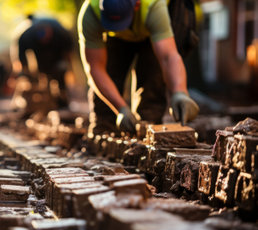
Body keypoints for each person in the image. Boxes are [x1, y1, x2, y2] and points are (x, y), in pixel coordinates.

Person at [78, 0, 200, 136]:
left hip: (153, 23)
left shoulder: (153, 7)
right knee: (111, 72)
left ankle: (148, 129)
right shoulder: (91, 14)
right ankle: (104, 134)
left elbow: (168, 56)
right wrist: (121, 108)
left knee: (152, 78)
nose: (120, 28)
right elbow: (95, 68)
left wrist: (180, 92)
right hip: (114, 33)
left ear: (136, 5)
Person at [11, 16, 74, 108]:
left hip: (57, 59)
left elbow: (68, 55)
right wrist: (25, 73)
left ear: (51, 31)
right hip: (38, 59)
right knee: (29, 76)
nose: (44, 39)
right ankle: (33, 102)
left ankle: (62, 99)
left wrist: (70, 71)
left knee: (61, 69)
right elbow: (20, 60)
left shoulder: (62, 34)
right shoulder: (26, 36)